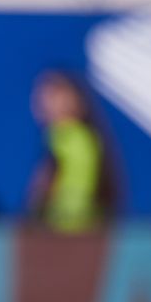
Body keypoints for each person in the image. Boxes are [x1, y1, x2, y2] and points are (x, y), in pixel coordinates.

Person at [27, 72, 106, 233]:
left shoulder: (73, 139)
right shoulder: (60, 138)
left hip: (71, 232)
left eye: (55, 95)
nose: (45, 102)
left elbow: (76, 193)